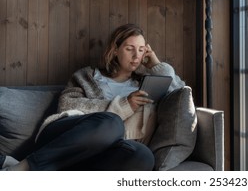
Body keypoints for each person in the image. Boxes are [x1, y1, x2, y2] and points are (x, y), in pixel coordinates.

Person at [1, 23, 185, 171]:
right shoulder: (88, 76)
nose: (137, 55)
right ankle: (24, 168)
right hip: (64, 135)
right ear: (115, 50)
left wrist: (157, 65)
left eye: (142, 49)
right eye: (130, 49)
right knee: (112, 123)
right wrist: (124, 105)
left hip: (103, 153)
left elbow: (180, 93)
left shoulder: (145, 84)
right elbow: (66, 104)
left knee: (143, 156)